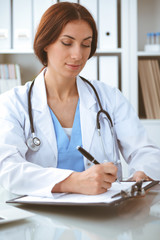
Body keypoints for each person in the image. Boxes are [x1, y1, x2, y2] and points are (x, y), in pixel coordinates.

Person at [0, 2, 159, 198]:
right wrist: (73, 182)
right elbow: (8, 169)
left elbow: (145, 151)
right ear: (46, 43)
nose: (78, 55)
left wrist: (143, 174)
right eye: (67, 43)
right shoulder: (13, 104)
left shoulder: (109, 98)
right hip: (38, 220)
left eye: (86, 44)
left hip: (103, 218)